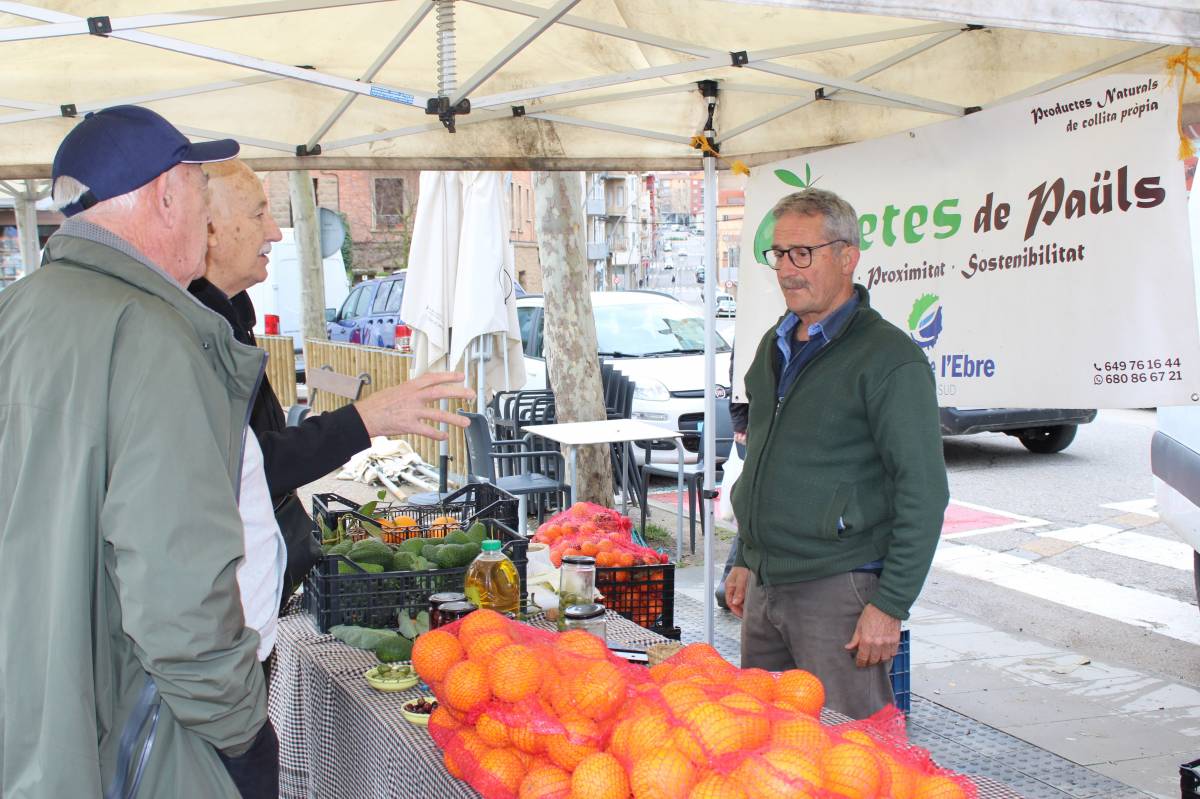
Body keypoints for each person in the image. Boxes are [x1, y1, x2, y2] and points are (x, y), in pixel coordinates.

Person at [0, 105, 278, 797]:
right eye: (198, 187)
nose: (206, 213)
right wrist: (243, 731)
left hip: (38, 724)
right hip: (138, 736)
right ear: (164, 194)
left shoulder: (18, 311)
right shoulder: (152, 335)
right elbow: (181, 590)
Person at [189, 160, 473, 609]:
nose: (275, 232)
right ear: (209, 229)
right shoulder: (191, 335)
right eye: (259, 213)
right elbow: (250, 468)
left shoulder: (227, 318)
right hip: (221, 598)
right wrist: (367, 419)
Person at [725, 188, 948, 719]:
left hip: (837, 591)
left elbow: (924, 490)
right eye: (778, 254)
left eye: (803, 253)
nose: (786, 269)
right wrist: (744, 556)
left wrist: (889, 605)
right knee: (765, 744)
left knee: (854, 755)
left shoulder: (889, 359)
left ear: (847, 256)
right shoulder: (773, 345)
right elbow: (763, 463)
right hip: (766, 587)